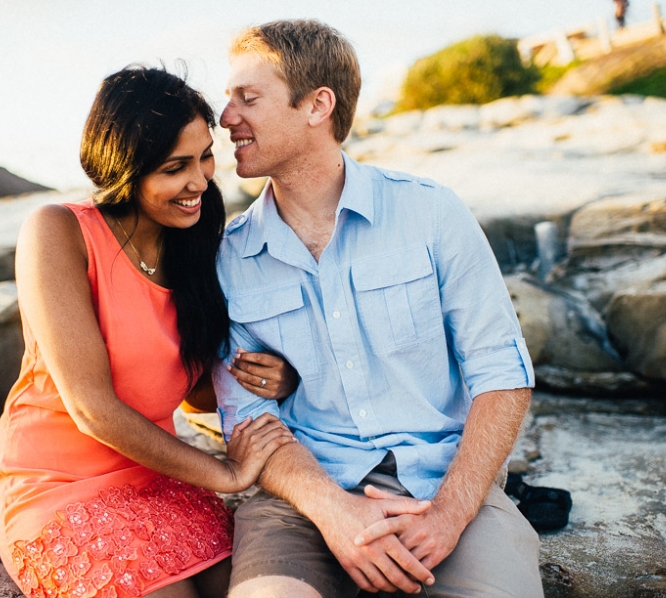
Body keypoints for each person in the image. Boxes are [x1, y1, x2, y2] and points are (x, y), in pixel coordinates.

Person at [213, 19, 543, 598]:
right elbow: (247, 419)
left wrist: (450, 513)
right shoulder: (230, 256)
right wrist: (334, 511)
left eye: (248, 97)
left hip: (444, 484)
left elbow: (501, 371)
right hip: (303, 500)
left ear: (317, 106)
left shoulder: (431, 213)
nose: (226, 117)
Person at [0, 65, 299, 598]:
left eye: (205, 156)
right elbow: (91, 409)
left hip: (160, 479)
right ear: (125, 168)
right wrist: (226, 474)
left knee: (258, 587)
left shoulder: (194, 242)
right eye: (176, 167)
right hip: (60, 490)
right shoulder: (59, 231)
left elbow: (196, 394)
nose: (200, 181)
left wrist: (277, 378)